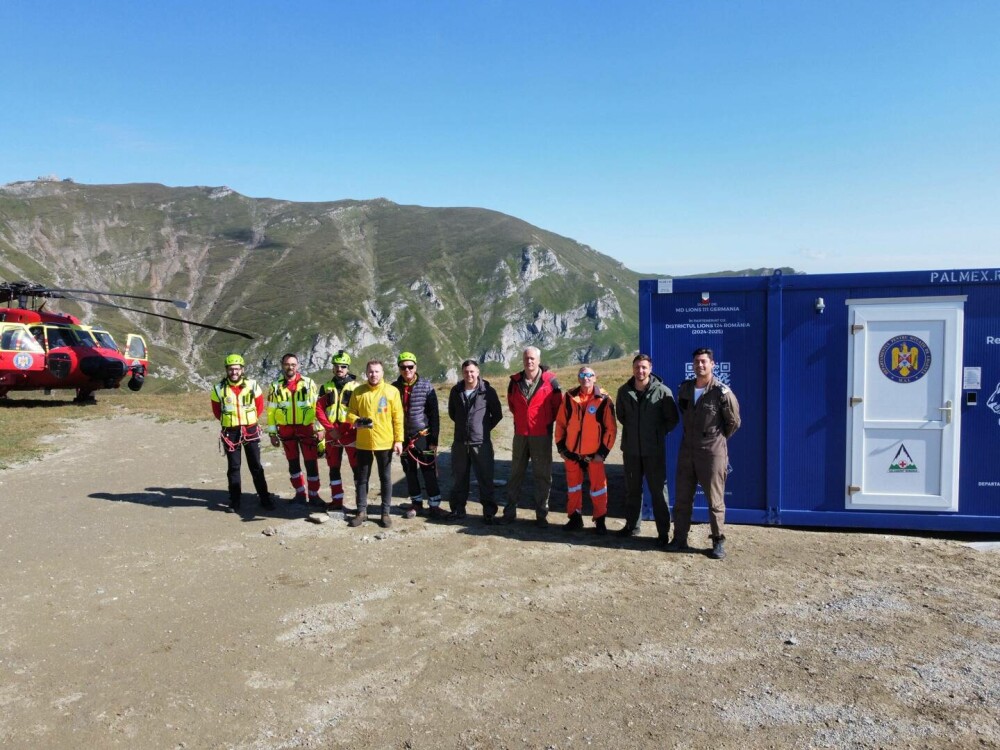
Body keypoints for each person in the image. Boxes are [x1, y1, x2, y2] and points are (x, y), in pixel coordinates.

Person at [669, 347, 741, 560]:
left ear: (712, 364)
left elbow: (734, 422)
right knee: (682, 497)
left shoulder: (722, 392)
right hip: (687, 450)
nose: (700, 365)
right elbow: (683, 411)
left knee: (715, 500)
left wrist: (716, 440)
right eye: (697, 362)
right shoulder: (685, 389)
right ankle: (680, 538)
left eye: (704, 362)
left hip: (711, 452)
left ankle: (718, 541)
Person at [616, 353, 679, 544]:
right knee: (632, 491)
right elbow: (621, 416)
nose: (640, 370)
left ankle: (663, 532)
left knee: (659, 492)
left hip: (654, 451)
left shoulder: (663, 391)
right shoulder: (624, 391)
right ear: (633, 369)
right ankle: (632, 526)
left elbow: (672, 419)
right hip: (631, 450)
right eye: (637, 367)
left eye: (644, 367)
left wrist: (656, 435)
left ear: (650, 369)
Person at [503, 346, 562, 527]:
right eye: (526, 358)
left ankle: (541, 515)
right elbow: (512, 405)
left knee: (542, 475)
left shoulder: (550, 382)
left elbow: (557, 408)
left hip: (541, 435)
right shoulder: (515, 381)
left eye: (532, 358)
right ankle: (509, 512)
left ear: (538, 360)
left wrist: (544, 423)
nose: (529, 361)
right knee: (515, 474)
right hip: (520, 434)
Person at [555, 365, 617, 534]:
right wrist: (561, 448)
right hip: (572, 452)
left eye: (589, 375)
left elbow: (610, 429)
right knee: (573, 488)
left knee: (599, 488)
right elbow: (561, 423)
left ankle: (600, 521)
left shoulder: (603, 399)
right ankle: (575, 518)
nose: (586, 378)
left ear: (595, 378)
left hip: (594, 454)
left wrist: (602, 453)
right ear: (578, 378)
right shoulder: (569, 397)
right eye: (582, 374)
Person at [210, 354, 273, 513]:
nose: (234, 372)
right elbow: (217, 411)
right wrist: (231, 424)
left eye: (237, 369)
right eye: (231, 369)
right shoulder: (218, 389)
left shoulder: (253, 385)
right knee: (234, 467)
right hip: (230, 433)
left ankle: (264, 498)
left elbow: (259, 407)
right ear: (226, 370)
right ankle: (235, 501)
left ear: (242, 370)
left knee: (256, 466)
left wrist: (248, 421)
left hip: (250, 430)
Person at [346, 360, 403, 528]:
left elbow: (398, 418)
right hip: (363, 442)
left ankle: (385, 513)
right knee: (362, 478)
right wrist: (357, 420)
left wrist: (398, 440)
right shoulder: (358, 391)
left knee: (385, 478)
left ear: (383, 373)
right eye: (371, 371)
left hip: (384, 442)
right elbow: (349, 413)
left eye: (377, 371)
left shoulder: (392, 392)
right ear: (366, 373)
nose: (374, 374)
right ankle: (361, 512)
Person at [448, 359, 503, 523]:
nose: (469, 375)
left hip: (481, 443)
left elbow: (497, 414)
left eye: (472, 371)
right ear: (462, 373)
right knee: (459, 478)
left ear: (478, 372)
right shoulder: (455, 391)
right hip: (460, 443)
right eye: (466, 372)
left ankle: (489, 512)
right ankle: (458, 510)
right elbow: (452, 413)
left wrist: (483, 429)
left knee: (485, 478)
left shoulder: (487, 391)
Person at [391, 352, 445, 519]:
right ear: (399, 368)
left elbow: (434, 415)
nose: (407, 370)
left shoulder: (426, 386)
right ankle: (416, 504)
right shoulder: (393, 388)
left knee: (428, 470)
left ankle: (435, 506)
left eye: (410, 367)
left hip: (424, 437)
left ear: (416, 367)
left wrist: (434, 441)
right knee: (410, 471)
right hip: (403, 438)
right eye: (403, 367)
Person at [267, 353, 324, 506]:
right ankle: (300, 493)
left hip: (306, 429)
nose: (290, 367)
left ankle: (314, 495)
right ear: (282, 365)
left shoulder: (308, 383)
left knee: (311, 463)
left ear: (297, 365)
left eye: (293, 364)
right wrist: (272, 433)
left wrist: (319, 428)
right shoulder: (275, 386)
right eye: (287, 364)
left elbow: (316, 407)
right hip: (286, 431)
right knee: (293, 464)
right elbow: (271, 411)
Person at [315, 350, 360, 511]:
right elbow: (319, 409)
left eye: (343, 366)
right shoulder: (325, 387)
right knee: (333, 468)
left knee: (357, 468)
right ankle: (337, 500)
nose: (339, 369)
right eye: (337, 366)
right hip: (331, 434)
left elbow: (358, 411)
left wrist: (342, 429)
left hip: (350, 433)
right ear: (332, 368)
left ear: (348, 368)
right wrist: (328, 429)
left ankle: (360, 504)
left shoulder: (357, 388)